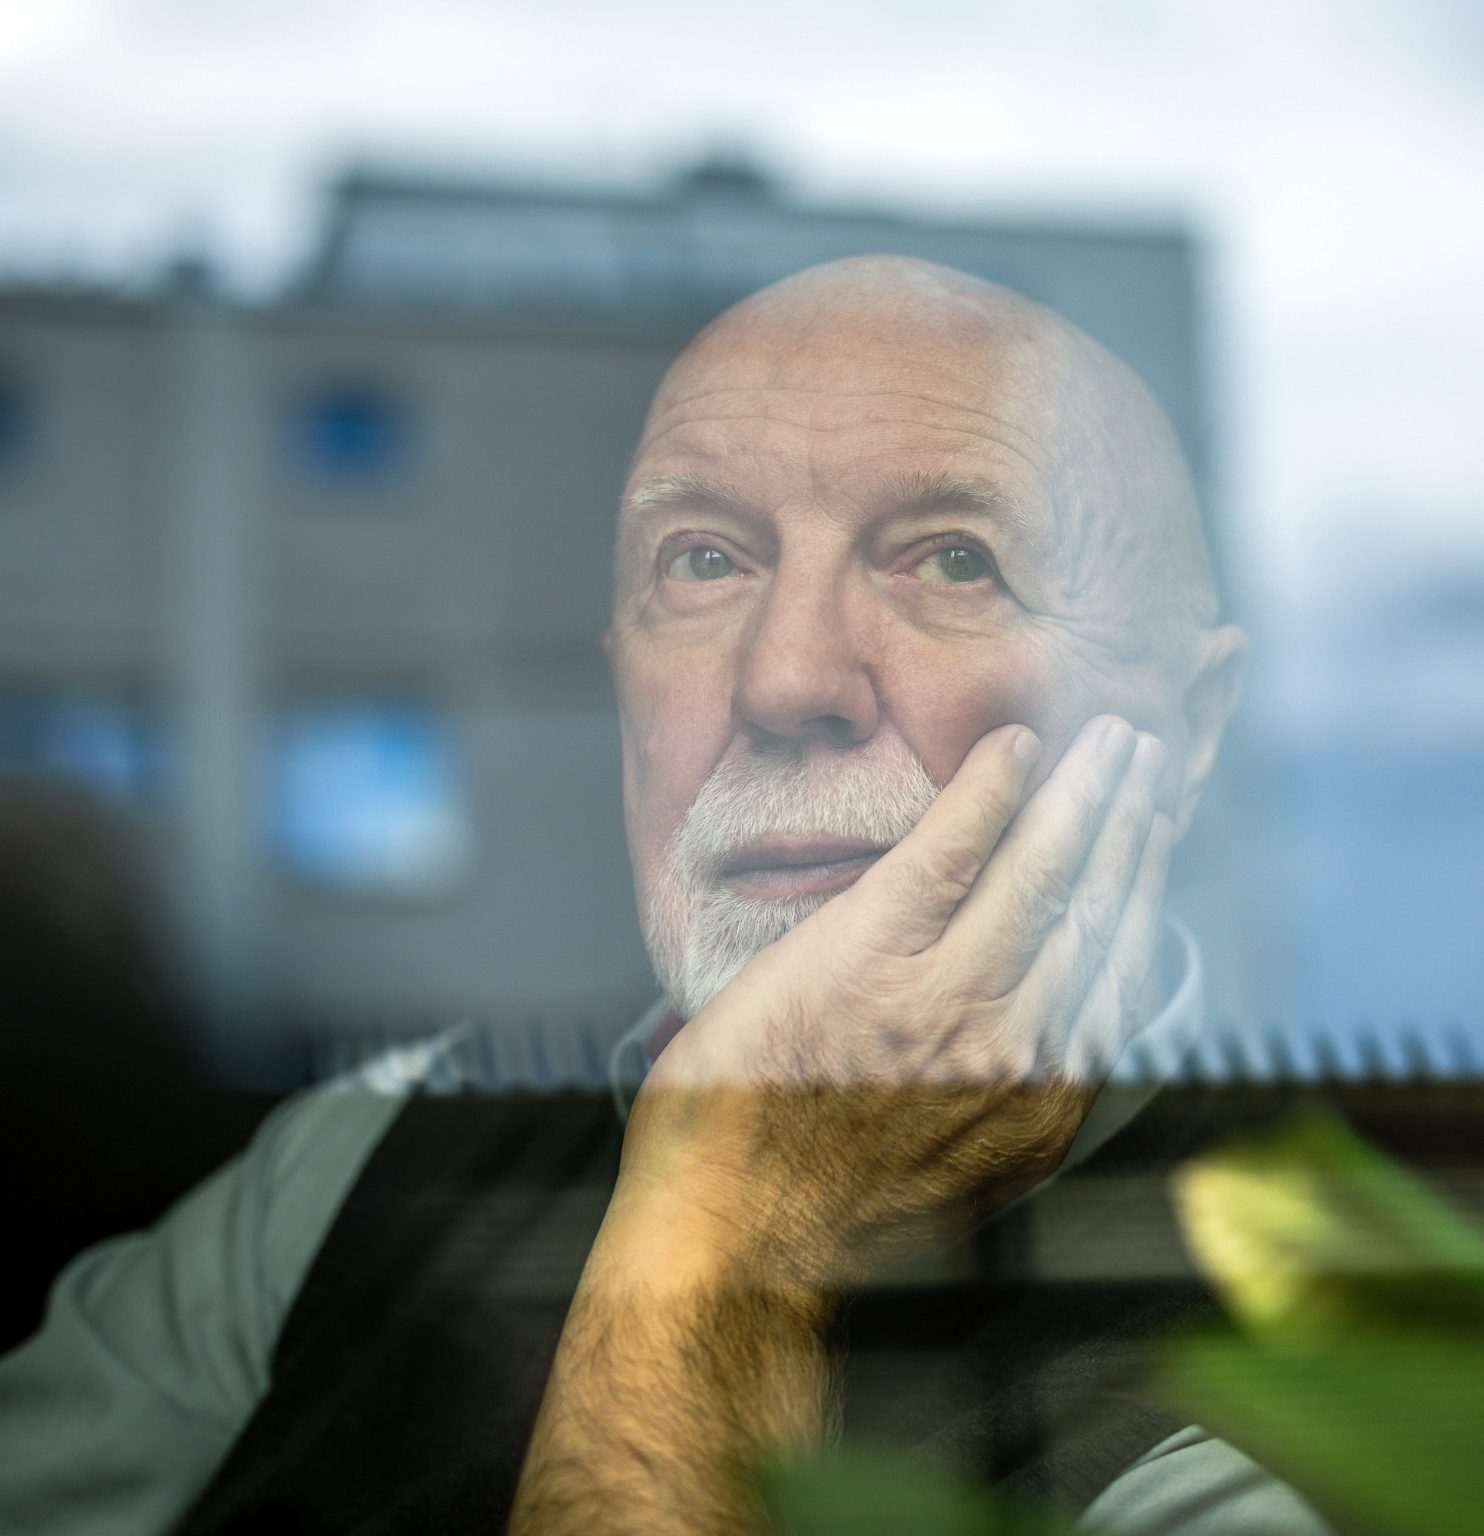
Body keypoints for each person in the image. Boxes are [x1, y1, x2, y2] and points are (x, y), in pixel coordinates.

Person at [0, 257, 1326, 1535]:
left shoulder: (1313, 1377)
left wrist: (741, 1216)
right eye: (702, 561)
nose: (785, 681)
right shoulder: (357, 1171)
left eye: (953, 561)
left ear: (1189, 729)